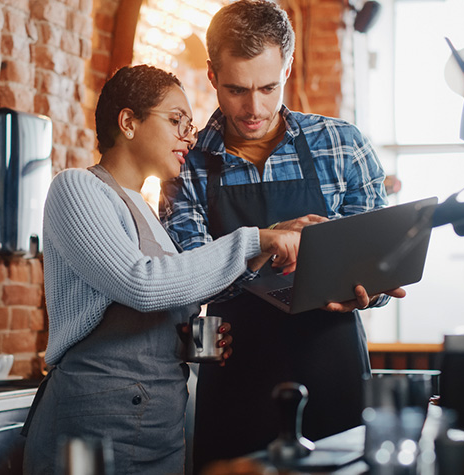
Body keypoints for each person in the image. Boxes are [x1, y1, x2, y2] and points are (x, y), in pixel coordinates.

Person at [160, 0, 407, 469]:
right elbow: (186, 276)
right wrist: (267, 240)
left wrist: (369, 291)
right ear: (212, 75)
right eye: (236, 89)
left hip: (332, 363)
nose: (254, 108)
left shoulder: (342, 145)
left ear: (288, 68)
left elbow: (378, 263)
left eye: (268, 87)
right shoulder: (184, 164)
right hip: (237, 372)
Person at [21, 64, 301, 474]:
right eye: (176, 121)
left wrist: (184, 340)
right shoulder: (77, 188)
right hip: (94, 431)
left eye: (190, 125)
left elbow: (151, 303)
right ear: (128, 122)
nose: (189, 135)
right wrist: (254, 240)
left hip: (158, 432)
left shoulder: (148, 213)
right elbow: (141, 283)